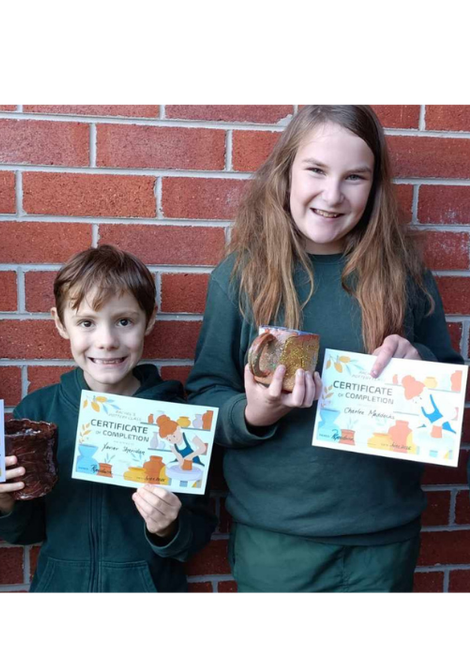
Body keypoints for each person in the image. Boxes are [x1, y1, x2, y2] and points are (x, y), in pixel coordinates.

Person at [187, 102, 464, 595]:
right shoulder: (242, 277)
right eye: (316, 170)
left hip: (383, 539)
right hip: (278, 541)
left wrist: (420, 364)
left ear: (374, 186)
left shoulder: (404, 275)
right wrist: (254, 414)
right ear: (285, 173)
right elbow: (205, 398)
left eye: (354, 177)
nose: (332, 195)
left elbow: (450, 382)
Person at [0, 245, 216, 594]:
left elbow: (197, 532)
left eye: (124, 321)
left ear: (149, 319)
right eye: (87, 323)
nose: (107, 341)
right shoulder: (37, 414)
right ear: (60, 323)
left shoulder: (177, 419)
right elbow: (25, 532)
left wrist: (168, 526)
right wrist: (4, 501)